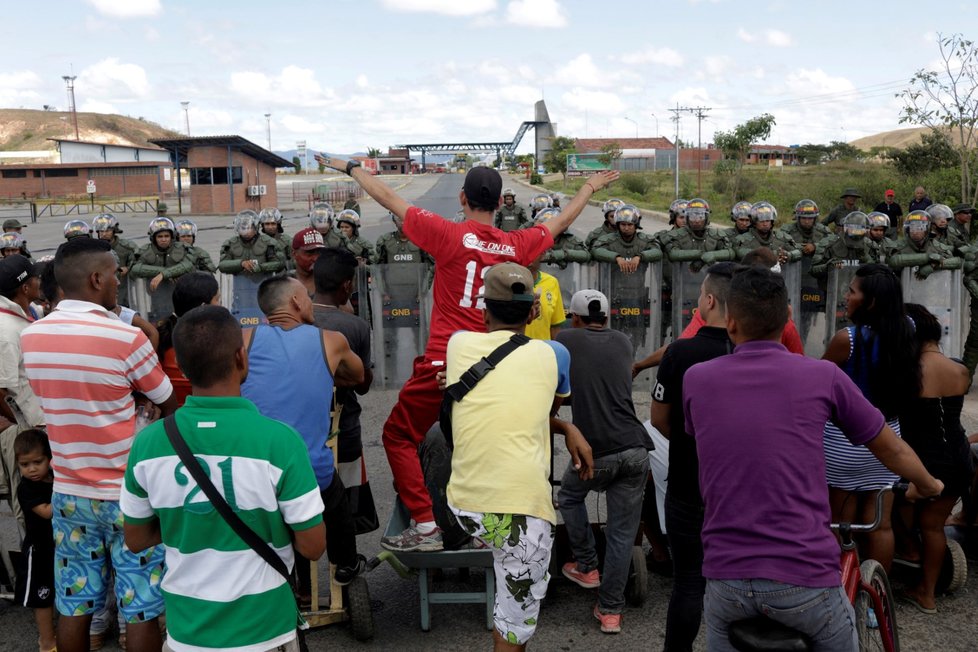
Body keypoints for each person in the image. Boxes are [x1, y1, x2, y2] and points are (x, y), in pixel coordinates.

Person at [316, 154, 618, 551]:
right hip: (497, 364)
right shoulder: (515, 243)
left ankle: (426, 526)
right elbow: (559, 222)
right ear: (498, 203)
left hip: (446, 360)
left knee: (399, 435)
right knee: (484, 441)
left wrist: (352, 168)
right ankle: (485, 525)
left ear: (462, 197)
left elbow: (389, 197)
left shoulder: (447, 234)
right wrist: (588, 188)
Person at [683, 267, 943, 651]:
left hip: (726, 578)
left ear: (730, 322)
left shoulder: (697, 379)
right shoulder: (822, 376)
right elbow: (890, 447)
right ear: (788, 317)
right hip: (805, 578)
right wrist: (928, 483)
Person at [120, 305, 327, 652]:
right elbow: (313, 545)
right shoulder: (279, 441)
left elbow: (137, 538)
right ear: (241, 358)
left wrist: (189, 522)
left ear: (182, 368)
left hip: (187, 630)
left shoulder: (148, 443)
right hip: (266, 629)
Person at [21, 237, 177, 652]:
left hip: (70, 492)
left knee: (75, 604)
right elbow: (167, 398)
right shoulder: (124, 337)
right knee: (140, 606)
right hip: (129, 494)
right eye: (113, 275)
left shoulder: (33, 337)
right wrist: (135, 399)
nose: (118, 282)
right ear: (95, 278)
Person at [445, 262, 592, 651]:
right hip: (522, 513)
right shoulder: (555, 354)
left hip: (463, 504)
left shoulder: (457, 343)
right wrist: (567, 427)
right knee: (513, 628)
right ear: (534, 312)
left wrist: (564, 429)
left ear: (483, 311)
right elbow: (545, 409)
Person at [241, 276, 367, 591]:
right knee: (337, 507)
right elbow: (358, 376)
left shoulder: (243, 339)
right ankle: (346, 566)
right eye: (307, 297)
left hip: (253, 469)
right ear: (297, 302)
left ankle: (293, 583)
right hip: (309, 471)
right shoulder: (331, 340)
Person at [651, 262, 737, 652]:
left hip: (689, 483)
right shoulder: (753, 353)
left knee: (688, 581)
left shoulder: (681, 352)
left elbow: (660, 419)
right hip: (740, 488)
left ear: (709, 299)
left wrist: (692, 443)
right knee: (740, 578)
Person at [556, 289, 651, 635]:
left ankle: (586, 565)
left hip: (597, 452)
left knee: (568, 496)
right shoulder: (624, 341)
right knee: (623, 532)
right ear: (607, 317)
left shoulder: (565, 339)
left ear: (576, 317)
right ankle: (611, 611)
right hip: (635, 448)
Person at [822, 264, 921, 572]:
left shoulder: (847, 339)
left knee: (840, 524)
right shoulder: (908, 328)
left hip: (844, 444)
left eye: (852, 291)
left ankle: (841, 590)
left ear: (871, 301)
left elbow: (820, 383)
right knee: (880, 525)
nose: (846, 296)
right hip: (888, 440)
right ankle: (875, 596)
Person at [896, 303, 974, 614]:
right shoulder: (960, 370)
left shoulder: (908, 373)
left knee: (896, 512)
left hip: (920, 459)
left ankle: (908, 553)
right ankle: (926, 594)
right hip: (958, 457)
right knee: (934, 526)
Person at [311, 249, 378, 535]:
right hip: (344, 429)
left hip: (303, 429)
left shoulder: (294, 320)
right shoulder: (355, 326)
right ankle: (346, 568)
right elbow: (363, 385)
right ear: (347, 286)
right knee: (347, 508)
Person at [0, 254, 44, 527]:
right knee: (28, 508)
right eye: (34, 277)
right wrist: (23, 428)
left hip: (35, 424)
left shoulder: (25, 314)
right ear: (25, 287)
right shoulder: (6, 330)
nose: (40, 281)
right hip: (24, 430)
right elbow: (1, 389)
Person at [14, 428, 56, 652]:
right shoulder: (26, 488)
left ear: (50, 457)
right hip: (38, 550)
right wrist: (68, 489)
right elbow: (48, 512)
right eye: (24, 464)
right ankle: (47, 642)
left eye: (37, 462)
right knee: (43, 597)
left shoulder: (54, 478)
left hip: (58, 546)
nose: (31, 469)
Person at [154, 271, 221, 408]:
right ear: (204, 307)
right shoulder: (213, 344)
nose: (220, 305)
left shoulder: (158, 336)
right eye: (217, 299)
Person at [887, 210, 960, 279]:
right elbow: (892, 261)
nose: (915, 232)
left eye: (919, 228)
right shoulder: (899, 245)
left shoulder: (935, 245)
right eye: (912, 228)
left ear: (927, 229)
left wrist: (934, 266)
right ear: (908, 229)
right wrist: (928, 257)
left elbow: (957, 261)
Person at [131, 216, 194, 291]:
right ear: (154, 238)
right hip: (154, 294)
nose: (163, 240)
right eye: (160, 237)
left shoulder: (182, 248)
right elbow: (135, 269)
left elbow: (188, 265)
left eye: (166, 236)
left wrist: (164, 274)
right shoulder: (146, 250)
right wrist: (166, 272)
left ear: (172, 237)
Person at [218, 210, 287, 277]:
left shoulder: (268, 242)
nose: (246, 231)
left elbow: (280, 263)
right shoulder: (231, 244)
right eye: (243, 228)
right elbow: (222, 265)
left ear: (255, 227)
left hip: (264, 283)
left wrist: (261, 267)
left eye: (249, 227)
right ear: (238, 228)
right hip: (239, 284)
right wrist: (241, 264)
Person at [92, 213, 138, 307]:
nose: (104, 234)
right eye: (101, 231)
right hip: (101, 294)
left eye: (107, 231)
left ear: (114, 231)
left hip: (123, 293)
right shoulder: (93, 249)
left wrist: (128, 268)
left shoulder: (126, 247)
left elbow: (138, 260)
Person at [525, 252, 565, 340]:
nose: (529, 258)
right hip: (516, 351)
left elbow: (555, 326)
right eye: (525, 250)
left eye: (533, 251)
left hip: (543, 351)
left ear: (542, 254)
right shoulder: (507, 282)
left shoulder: (552, 282)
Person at [290, 226, 327, 296]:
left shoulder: (330, 281)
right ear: (294, 254)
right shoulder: (283, 284)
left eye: (319, 253)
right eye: (310, 253)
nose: (315, 258)